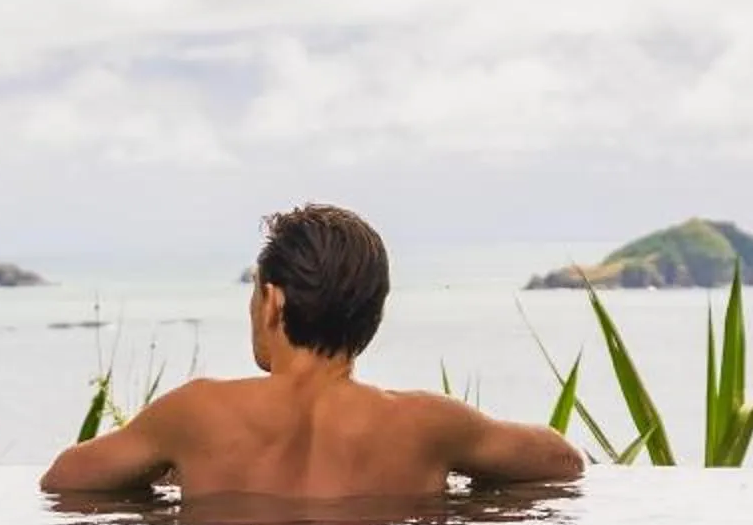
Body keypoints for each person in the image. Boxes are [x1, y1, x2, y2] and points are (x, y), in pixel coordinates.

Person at [39, 202, 585, 506]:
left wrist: (165, 471)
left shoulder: (197, 412)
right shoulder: (427, 423)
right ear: (374, 311)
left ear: (272, 302)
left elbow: (65, 479)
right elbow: (562, 462)